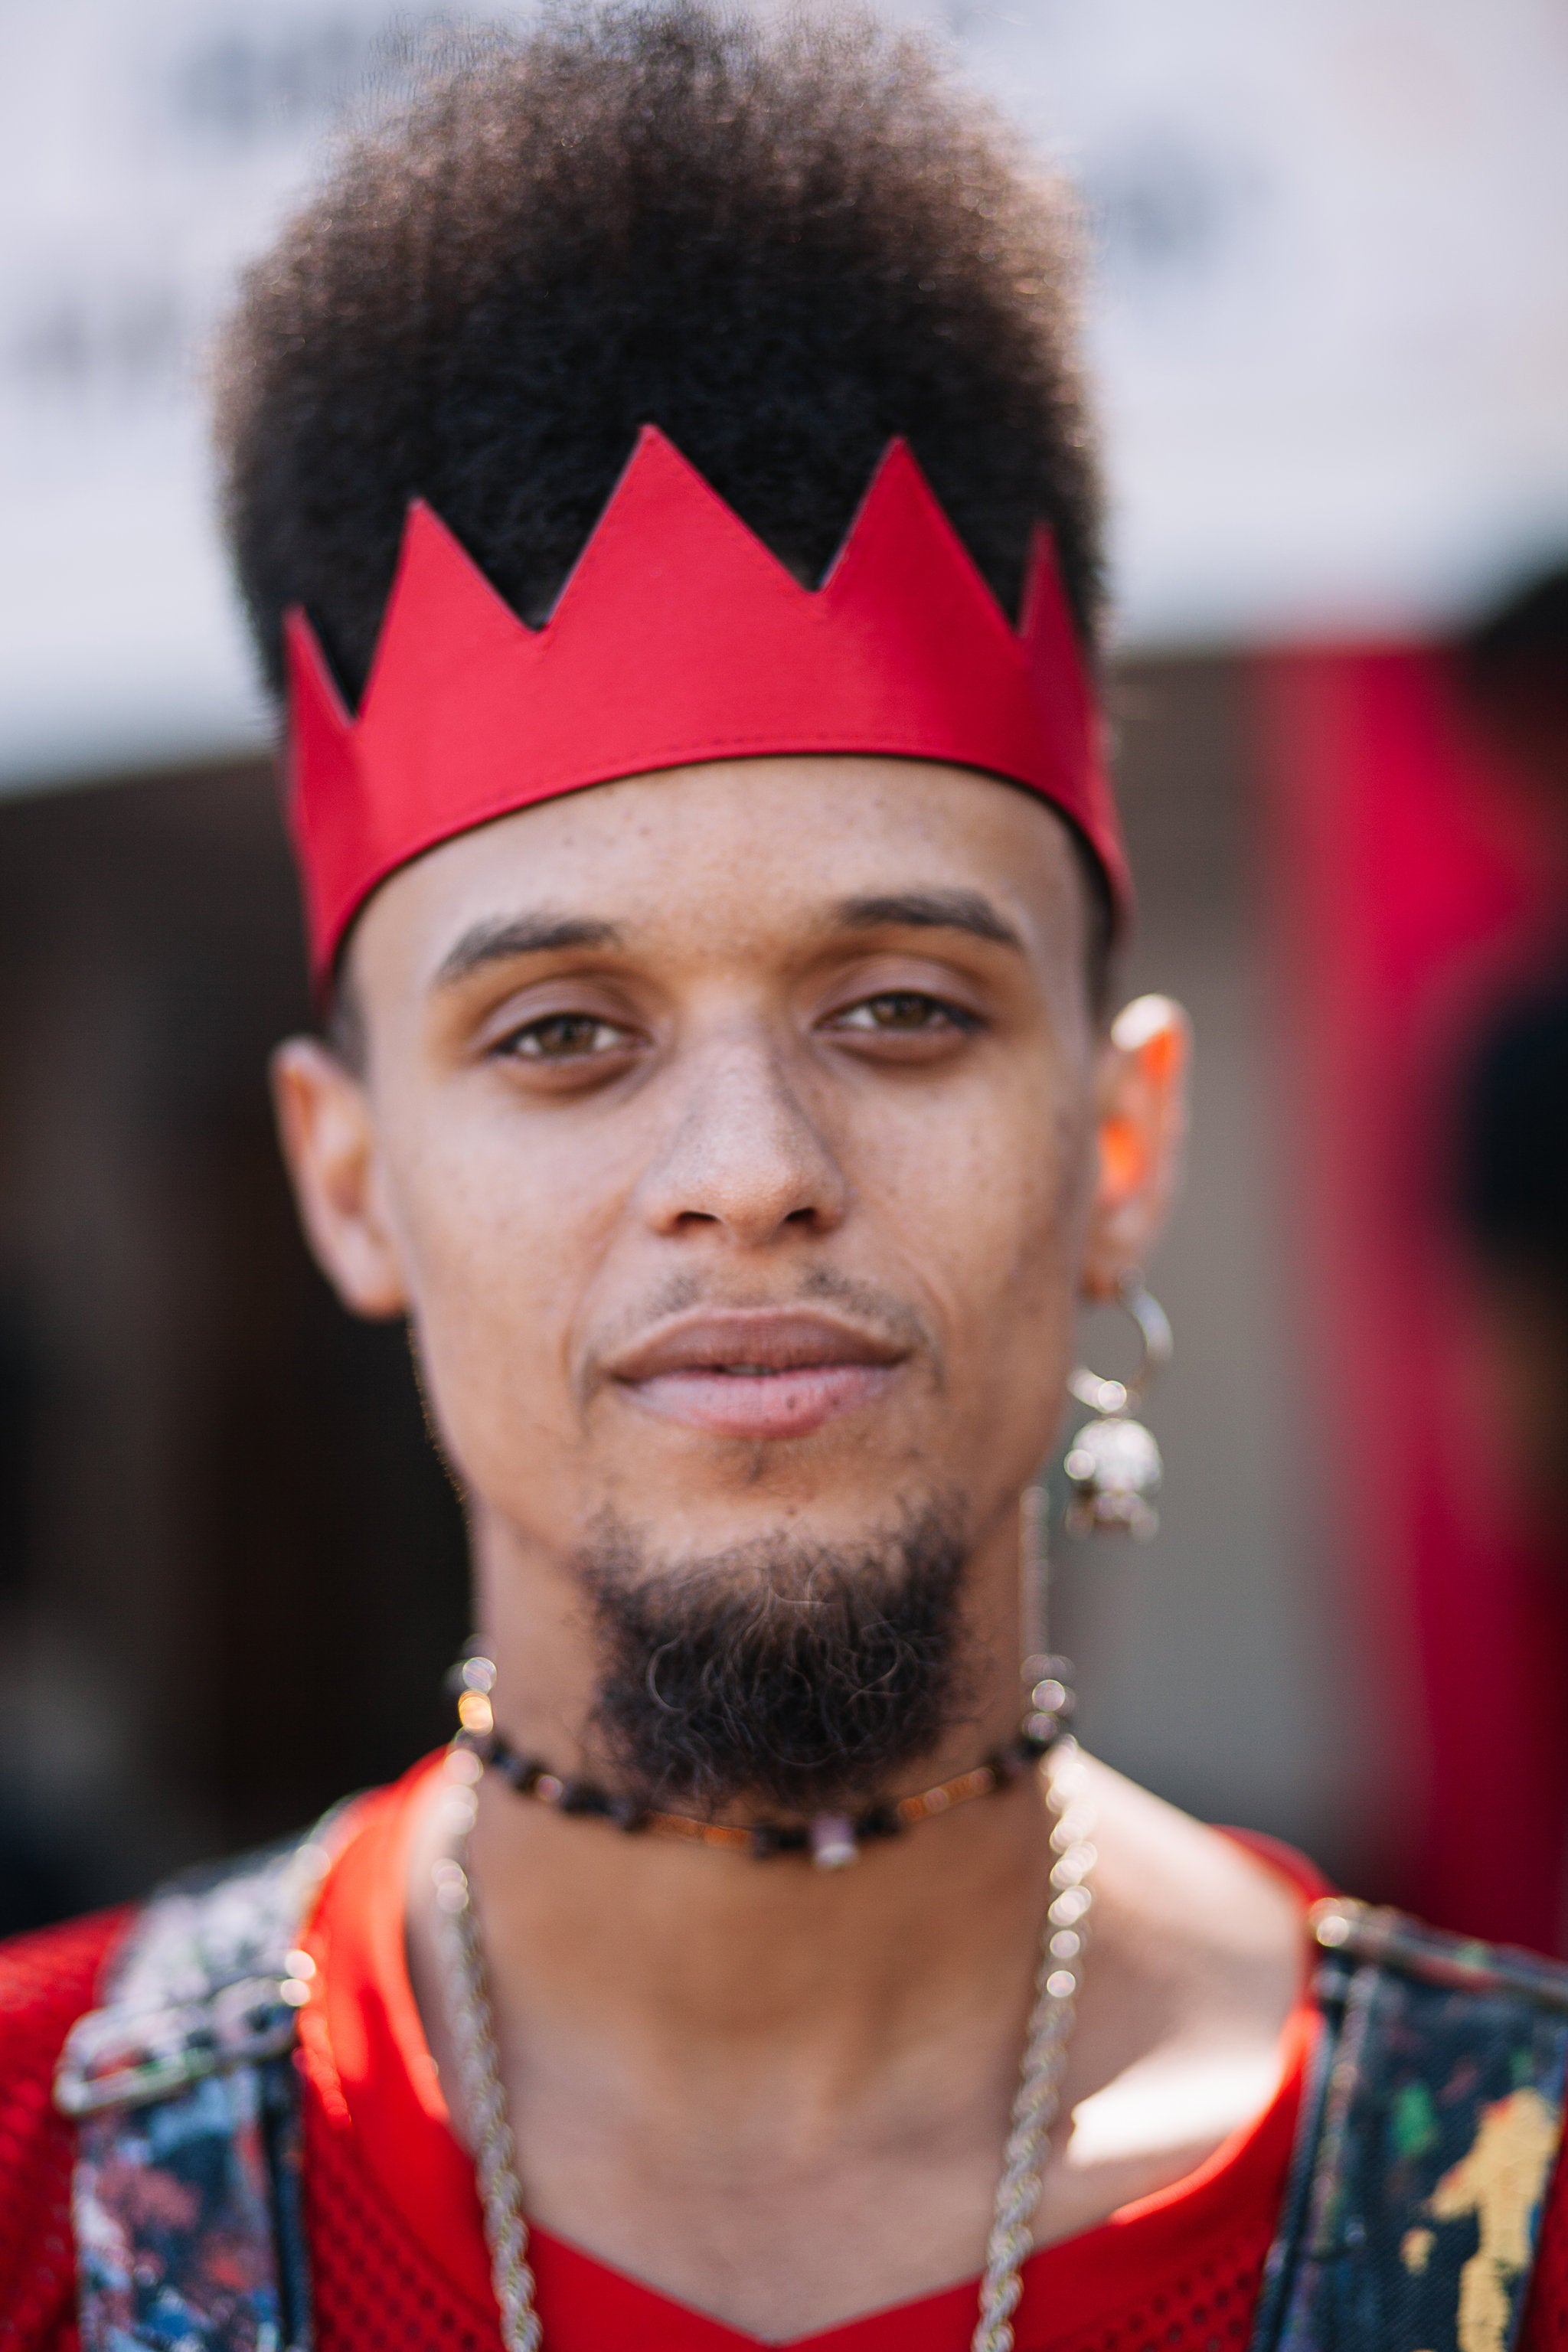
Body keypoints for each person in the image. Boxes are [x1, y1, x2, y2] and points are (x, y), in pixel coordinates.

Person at [4, 11, 1567, 2350]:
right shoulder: (39, 2189)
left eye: (903, 1009)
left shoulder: (1522, 2207)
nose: (749, 1174)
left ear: (1121, 1142)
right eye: (562, 1036)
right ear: (348, 1179)